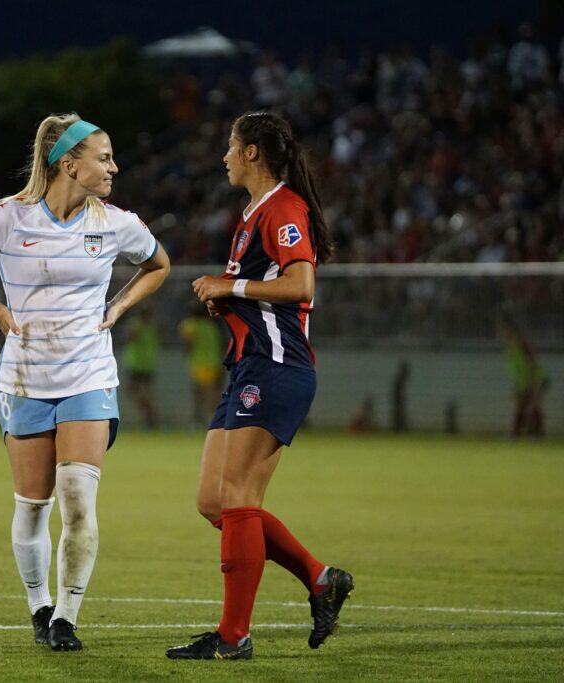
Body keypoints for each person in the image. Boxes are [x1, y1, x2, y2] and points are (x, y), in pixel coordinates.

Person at [0, 113, 169, 651]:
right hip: (23, 377)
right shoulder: (10, 218)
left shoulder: (116, 222)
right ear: (69, 164)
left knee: (77, 497)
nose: (114, 167)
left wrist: (120, 305)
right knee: (32, 504)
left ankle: (66, 616)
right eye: (104, 158)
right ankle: (39, 606)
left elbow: (157, 265)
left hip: (88, 375)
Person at [165, 111, 352, 661]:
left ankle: (233, 636)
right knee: (213, 502)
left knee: (240, 499)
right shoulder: (250, 216)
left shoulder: (284, 207)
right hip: (248, 366)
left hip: (277, 367)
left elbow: (300, 282)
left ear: (253, 154)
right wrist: (229, 299)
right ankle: (321, 579)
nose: (224, 155)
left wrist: (233, 284)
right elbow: (263, 289)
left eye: (230, 145)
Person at [178, 301, 224, 428]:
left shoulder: (190, 325)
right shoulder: (212, 326)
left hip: (198, 364)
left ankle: (197, 422)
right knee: (212, 396)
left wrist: (186, 350)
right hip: (214, 364)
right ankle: (214, 421)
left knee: (198, 396)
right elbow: (219, 345)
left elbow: (188, 343)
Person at [121, 307, 159, 429]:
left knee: (136, 392)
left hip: (137, 365)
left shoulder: (136, 325)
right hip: (146, 365)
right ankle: (149, 418)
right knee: (143, 394)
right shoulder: (152, 328)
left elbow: (128, 337)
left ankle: (150, 418)